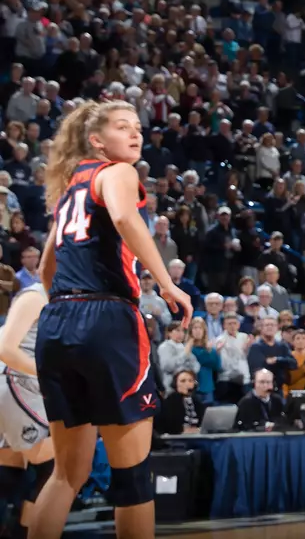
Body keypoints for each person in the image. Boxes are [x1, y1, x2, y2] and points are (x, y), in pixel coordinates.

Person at [34, 100, 191, 539]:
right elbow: (124, 217)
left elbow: (47, 268)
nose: (136, 134)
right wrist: (166, 283)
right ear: (97, 141)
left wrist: (69, 309)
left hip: (58, 321)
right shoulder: (117, 172)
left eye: (138, 127)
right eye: (123, 127)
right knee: (133, 478)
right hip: (106, 318)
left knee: (66, 475)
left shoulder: (69, 191)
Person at [0, 284, 54, 538]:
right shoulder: (36, 295)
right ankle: (22, 531)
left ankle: (15, 529)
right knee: (57, 464)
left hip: (22, 385)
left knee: (12, 469)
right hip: (15, 381)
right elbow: (6, 350)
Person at [156, 369, 208, 437]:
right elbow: (168, 425)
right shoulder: (170, 402)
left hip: (197, 436)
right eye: (183, 381)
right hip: (177, 438)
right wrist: (182, 430)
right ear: (175, 384)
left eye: (190, 381)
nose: (187, 384)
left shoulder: (197, 402)